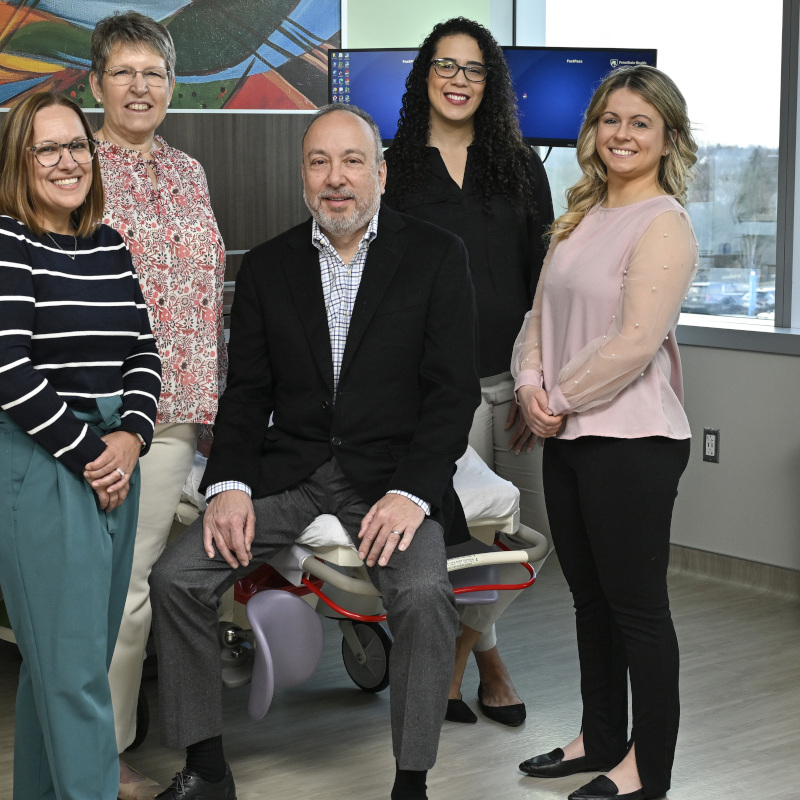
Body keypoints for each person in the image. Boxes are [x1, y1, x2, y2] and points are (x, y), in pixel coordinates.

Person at [147, 104, 479, 800]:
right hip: (289, 470)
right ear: (303, 175)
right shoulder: (269, 267)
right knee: (177, 576)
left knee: (423, 593)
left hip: (390, 477)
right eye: (320, 162)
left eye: (353, 161)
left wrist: (415, 491)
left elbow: (452, 396)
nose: (337, 179)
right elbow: (246, 393)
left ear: (380, 173)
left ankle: (411, 782)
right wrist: (230, 483)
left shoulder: (437, 257)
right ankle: (207, 767)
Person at [0, 91, 161, 800]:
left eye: (78, 145)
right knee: (73, 674)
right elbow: (8, 373)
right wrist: (93, 456)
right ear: (20, 159)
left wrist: (133, 436)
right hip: (37, 465)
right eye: (49, 148)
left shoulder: (108, 244)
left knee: (69, 663)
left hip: (111, 459)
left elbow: (143, 350)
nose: (68, 161)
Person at [513, 65, 698, 800]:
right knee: (589, 600)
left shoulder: (663, 223)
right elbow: (538, 318)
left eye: (640, 122)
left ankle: (647, 768)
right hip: (570, 434)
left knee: (639, 610)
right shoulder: (579, 215)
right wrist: (531, 386)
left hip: (634, 443)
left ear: (667, 138)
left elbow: (634, 341)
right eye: (611, 119)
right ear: (593, 130)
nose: (622, 133)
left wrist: (552, 396)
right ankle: (599, 737)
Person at [381, 16, 554, 728]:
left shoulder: (519, 165)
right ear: (426, 75)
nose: (458, 79)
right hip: (435, 388)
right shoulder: (395, 166)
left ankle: (468, 659)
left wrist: (536, 377)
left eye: (474, 68)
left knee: (513, 537)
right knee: (465, 538)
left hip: (513, 379)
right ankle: (480, 664)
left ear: (492, 82)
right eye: (445, 65)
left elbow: (545, 279)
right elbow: (381, 283)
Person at [86, 12, 228, 799]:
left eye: (155, 73)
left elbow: (206, 297)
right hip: (101, 414)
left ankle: (105, 748)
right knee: (114, 592)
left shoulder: (189, 171)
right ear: (96, 82)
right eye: (125, 72)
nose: (141, 87)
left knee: (132, 592)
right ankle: (96, 755)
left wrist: (213, 407)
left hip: (175, 416)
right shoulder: (74, 164)